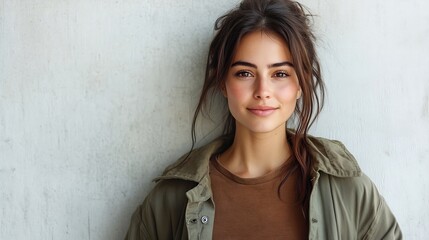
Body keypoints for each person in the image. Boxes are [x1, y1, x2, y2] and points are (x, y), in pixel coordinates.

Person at [125, 0, 402, 239]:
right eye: (244, 73)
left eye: (280, 74)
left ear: (301, 84)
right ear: (223, 82)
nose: (262, 92)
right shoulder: (172, 198)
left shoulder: (348, 190)